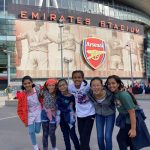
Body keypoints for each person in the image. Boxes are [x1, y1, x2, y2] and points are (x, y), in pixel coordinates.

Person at [105, 75, 150, 150]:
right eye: (109, 84)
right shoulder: (116, 94)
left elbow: (132, 112)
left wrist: (133, 129)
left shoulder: (123, 95)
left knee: (121, 138)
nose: (111, 85)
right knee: (131, 140)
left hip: (131, 119)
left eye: (113, 83)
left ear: (118, 84)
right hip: (126, 119)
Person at [68, 70, 95, 150]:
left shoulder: (87, 86)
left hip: (90, 114)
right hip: (79, 115)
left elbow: (98, 90)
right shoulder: (70, 87)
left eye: (79, 77)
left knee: (84, 137)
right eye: (75, 78)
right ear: (72, 79)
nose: (77, 79)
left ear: (83, 78)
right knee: (83, 137)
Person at [88, 77, 115, 150]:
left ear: (102, 86)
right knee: (100, 137)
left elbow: (119, 93)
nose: (96, 87)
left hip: (110, 115)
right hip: (99, 115)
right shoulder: (89, 93)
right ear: (91, 87)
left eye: (98, 85)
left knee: (108, 137)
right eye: (93, 85)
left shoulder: (110, 93)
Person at [17, 76, 42, 150]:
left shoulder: (37, 90)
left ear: (32, 83)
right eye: (25, 84)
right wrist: (24, 119)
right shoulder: (22, 95)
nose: (27, 85)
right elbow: (19, 109)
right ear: (23, 85)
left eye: (29, 83)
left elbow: (47, 90)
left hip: (39, 112)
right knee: (31, 132)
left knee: (37, 131)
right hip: (29, 115)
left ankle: (37, 130)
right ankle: (35, 147)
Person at [57, 79, 80, 150]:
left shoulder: (72, 96)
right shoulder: (58, 94)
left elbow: (75, 108)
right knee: (65, 136)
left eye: (63, 84)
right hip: (61, 119)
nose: (62, 87)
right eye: (60, 86)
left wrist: (72, 116)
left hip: (70, 119)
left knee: (73, 135)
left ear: (67, 85)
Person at [41, 79, 59, 150]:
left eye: (53, 85)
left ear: (55, 86)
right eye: (49, 85)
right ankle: (45, 148)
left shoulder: (58, 93)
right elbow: (36, 93)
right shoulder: (44, 92)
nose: (51, 87)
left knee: (52, 133)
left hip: (53, 115)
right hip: (44, 114)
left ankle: (54, 147)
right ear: (46, 85)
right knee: (45, 133)